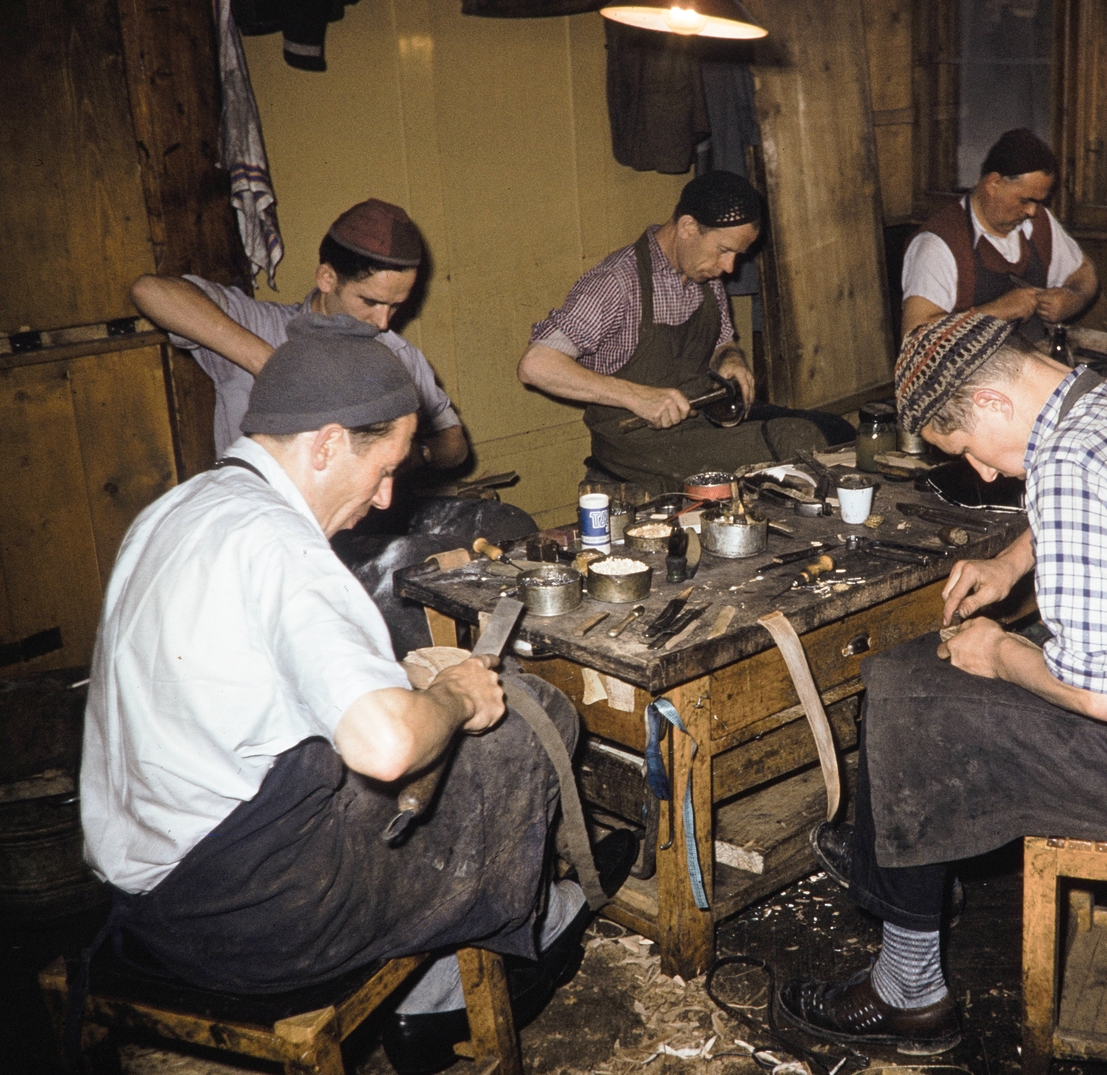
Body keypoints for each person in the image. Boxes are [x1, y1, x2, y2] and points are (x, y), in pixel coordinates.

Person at [78, 313, 633, 1075]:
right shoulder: (285, 548)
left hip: (142, 898)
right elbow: (386, 743)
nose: (383, 499)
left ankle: (451, 956)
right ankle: (479, 967)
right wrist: (459, 700)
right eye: (385, 470)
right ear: (329, 442)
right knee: (529, 731)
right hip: (252, 920)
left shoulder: (176, 510)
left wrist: (405, 678)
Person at [781, 311, 1107, 1054]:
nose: (986, 471)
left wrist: (1001, 653)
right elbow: (1092, 495)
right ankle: (903, 851)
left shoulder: (1069, 464)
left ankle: (909, 992)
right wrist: (1008, 563)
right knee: (922, 683)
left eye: (967, 447)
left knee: (906, 697)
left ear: (993, 405)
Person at [517, 170, 853, 496]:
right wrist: (638, 397)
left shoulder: (703, 275)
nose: (729, 268)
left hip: (698, 422)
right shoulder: (616, 283)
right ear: (688, 227)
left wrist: (731, 358)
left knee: (833, 428)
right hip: (636, 444)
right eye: (723, 250)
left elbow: (721, 338)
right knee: (796, 438)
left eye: (738, 255)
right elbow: (537, 365)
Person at [131, 198, 467, 474]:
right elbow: (150, 291)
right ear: (327, 278)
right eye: (370, 301)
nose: (381, 322)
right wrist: (272, 364)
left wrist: (413, 455)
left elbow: (454, 443)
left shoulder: (398, 355)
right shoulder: (261, 325)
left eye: (395, 306)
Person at [900, 128, 1098, 342]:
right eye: (1024, 200)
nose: (1032, 211)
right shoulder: (937, 244)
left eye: (1038, 202)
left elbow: (1084, 273)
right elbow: (914, 335)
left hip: (1030, 361)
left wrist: (1073, 298)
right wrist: (997, 311)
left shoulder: (1038, 222)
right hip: (969, 373)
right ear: (993, 184)